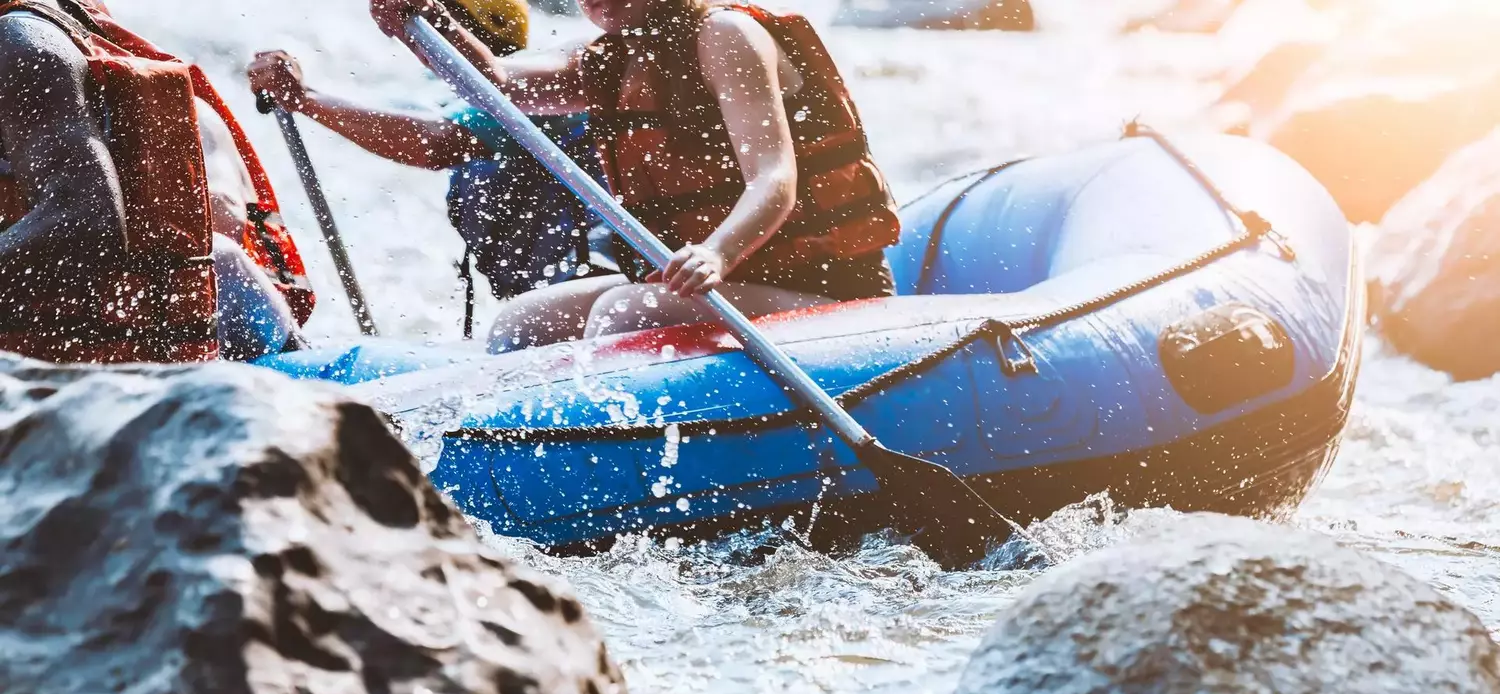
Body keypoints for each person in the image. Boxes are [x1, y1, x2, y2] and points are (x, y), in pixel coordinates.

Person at [368, 0, 902, 354]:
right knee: (522, 324)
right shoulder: (616, 59)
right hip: (719, 285)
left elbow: (773, 177)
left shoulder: (726, 34)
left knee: (626, 310)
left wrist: (716, 252)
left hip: (821, 289)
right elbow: (497, 83)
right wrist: (423, 27)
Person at [247, 0, 606, 341]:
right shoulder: (458, 89)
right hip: (553, 289)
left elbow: (434, 141)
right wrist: (305, 95)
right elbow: (403, 113)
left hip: (595, 276)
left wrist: (306, 99)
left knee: (520, 327)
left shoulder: (546, 85)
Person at [0, 0, 315, 364]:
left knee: (218, 253)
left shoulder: (24, 44)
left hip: (212, 324)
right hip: (138, 328)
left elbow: (87, 219)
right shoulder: (64, 69)